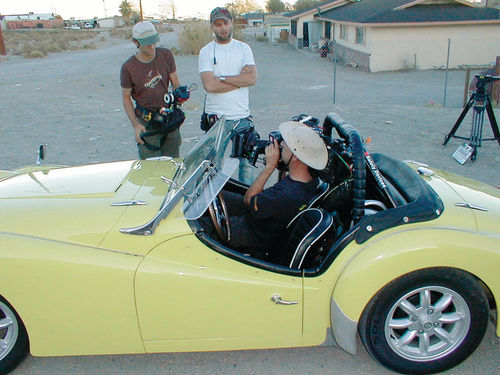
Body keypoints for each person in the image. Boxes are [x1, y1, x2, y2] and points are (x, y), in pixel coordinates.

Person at [217, 121, 328, 258]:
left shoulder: (286, 195)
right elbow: (282, 190)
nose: (281, 144)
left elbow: (248, 199)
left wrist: (269, 167)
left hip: (249, 235)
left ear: (296, 157)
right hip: (264, 219)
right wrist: (282, 169)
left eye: (286, 144)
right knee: (217, 196)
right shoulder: (309, 181)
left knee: (204, 222)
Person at [198, 7, 257, 184]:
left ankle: (246, 204)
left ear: (231, 23)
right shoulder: (206, 52)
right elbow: (209, 85)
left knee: (246, 164)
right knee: (212, 165)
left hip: (242, 117)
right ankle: (212, 203)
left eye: (225, 23)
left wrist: (222, 78)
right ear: (212, 27)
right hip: (217, 119)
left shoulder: (243, 48)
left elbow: (252, 79)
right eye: (218, 24)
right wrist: (239, 79)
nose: (222, 28)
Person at [121, 20, 188, 159]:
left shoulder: (166, 55)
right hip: (146, 122)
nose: (152, 45)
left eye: (153, 41)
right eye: (147, 42)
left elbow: (175, 80)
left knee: (172, 164)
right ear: (136, 43)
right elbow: (126, 97)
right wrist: (136, 125)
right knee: (150, 168)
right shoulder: (128, 67)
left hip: (168, 118)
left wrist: (179, 94)